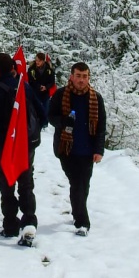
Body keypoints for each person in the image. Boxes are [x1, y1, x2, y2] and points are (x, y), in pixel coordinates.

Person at [0, 52, 45, 244]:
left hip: (5, 144)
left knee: (7, 184)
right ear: (13, 68)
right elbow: (42, 113)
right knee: (26, 183)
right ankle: (29, 221)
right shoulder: (24, 86)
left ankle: (10, 225)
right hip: (25, 143)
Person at [48, 61, 106, 236]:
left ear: (89, 78)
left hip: (87, 150)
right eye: (78, 76)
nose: (81, 80)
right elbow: (50, 117)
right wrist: (63, 121)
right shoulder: (61, 95)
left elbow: (101, 126)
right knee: (77, 184)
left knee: (84, 185)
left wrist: (99, 150)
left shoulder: (96, 98)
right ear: (71, 76)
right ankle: (82, 222)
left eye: (85, 76)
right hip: (66, 149)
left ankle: (77, 212)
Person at [27, 51, 56, 125]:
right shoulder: (32, 69)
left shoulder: (49, 70)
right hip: (35, 92)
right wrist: (38, 86)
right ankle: (35, 122)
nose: (37, 62)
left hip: (45, 93)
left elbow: (52, 82)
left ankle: (45, 123)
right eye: (36, 60)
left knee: (45, 108)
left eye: (39, 61)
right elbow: (31, 81)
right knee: (35, 107)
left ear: (43, 61)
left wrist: (46, 87)